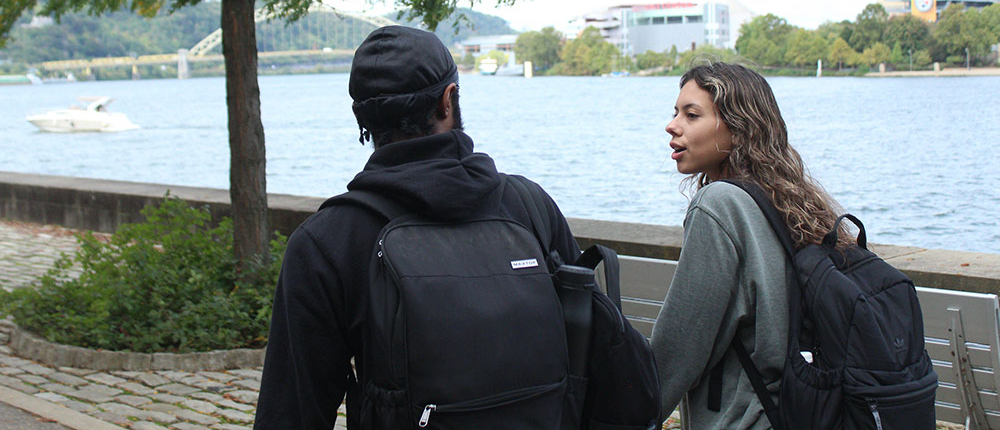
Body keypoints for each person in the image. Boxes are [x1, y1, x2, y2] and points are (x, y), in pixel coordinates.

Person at [253, 25, 580, 429]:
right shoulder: (529, 206)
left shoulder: (328, 241)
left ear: (363, 119)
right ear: (449, 100)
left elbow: (291, 413)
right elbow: (594, 356)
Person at [650, 61, 844, 430]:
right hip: (801, 410)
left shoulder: (719, 204)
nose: (672, 125)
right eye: (675, 112)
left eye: (692, 115)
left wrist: (628, 414)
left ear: (738, 129)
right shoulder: (793, 202)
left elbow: (679, 347)